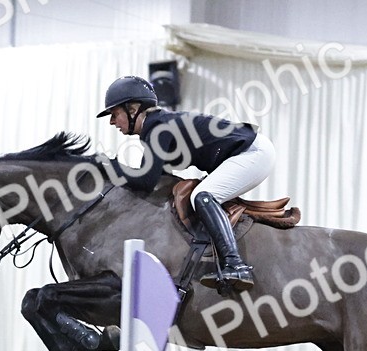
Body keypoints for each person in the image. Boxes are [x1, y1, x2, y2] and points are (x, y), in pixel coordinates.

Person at [97, 75, 275, 292]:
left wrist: (109, 166)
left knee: (203, 196)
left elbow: (145, 180)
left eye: (115, 114)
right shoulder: (156, 127)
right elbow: (155, 181)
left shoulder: (158, 128)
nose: (112, 121)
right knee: (199, 194)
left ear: (133, 109)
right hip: (246, 151)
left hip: (252, 153)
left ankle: (235, 264)